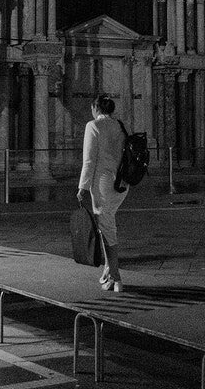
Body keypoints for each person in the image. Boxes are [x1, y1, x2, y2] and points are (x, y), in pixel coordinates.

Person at [77, 93, 127, 292]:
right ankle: (108, 269)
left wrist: (82, 186)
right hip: (121, 184)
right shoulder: (120, 126)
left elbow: (89, 161)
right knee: (105, 226)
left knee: (107, 229)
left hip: (102, 184)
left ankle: (117, 278)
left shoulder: (93, 126)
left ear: (96, 108)